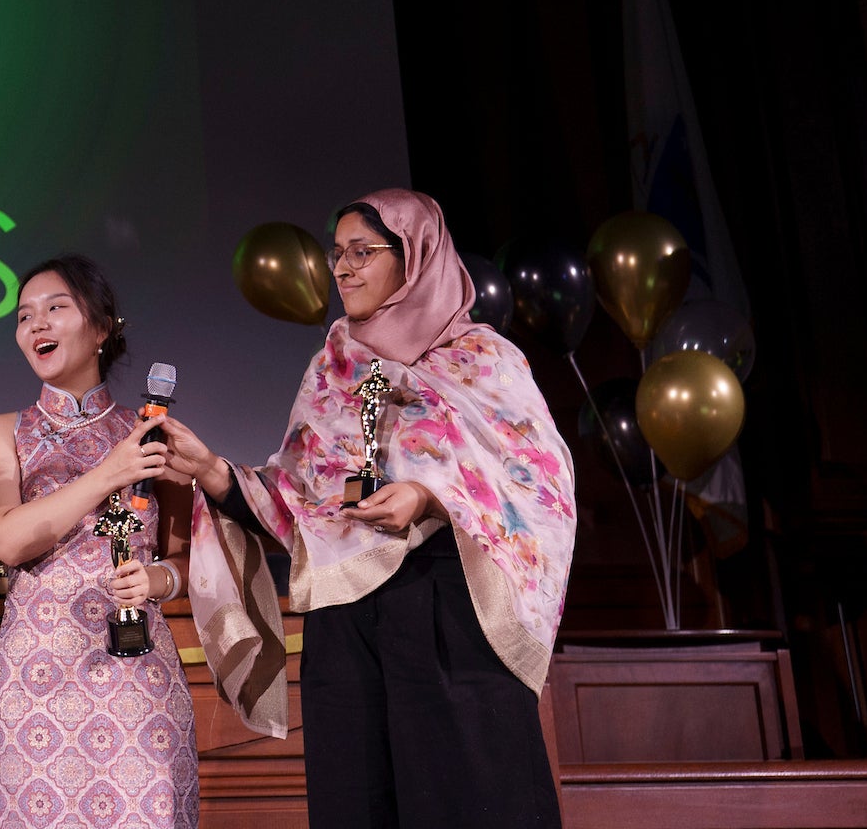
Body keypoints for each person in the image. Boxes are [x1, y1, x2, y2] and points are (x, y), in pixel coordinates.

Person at [160, 190, 576, 829]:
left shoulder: (484, 359)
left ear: (415, 258)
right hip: (347, 624)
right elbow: (298, 498)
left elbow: (540, 485)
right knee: (357, 801)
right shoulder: (334, 368)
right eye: (337, 255)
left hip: (449, 613)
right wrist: (213, 470)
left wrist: (428, 496)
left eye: (363, 252)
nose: (343, 269)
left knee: (469, 800)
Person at [0, 254, 198, 828]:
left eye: (56, 308)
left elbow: (185, 558)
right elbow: (8, 539)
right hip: (33, 679)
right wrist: (107, 474)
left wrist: (159, 579)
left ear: (101, 328)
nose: (37, 325)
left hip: (134, 677)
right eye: (24, 316)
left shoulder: (153, 433)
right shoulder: (3, 432)